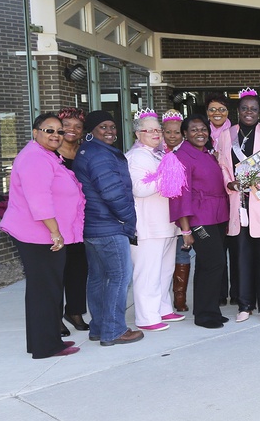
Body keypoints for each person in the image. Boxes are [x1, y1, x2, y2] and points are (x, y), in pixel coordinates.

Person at [0, 113, 83, 358]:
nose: (55, 135)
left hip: (43, 234)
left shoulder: (44, 155)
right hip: (39, 235)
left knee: (45, 289)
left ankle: (43, 341)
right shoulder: (35, 158)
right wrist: (55, 232)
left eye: (59, 131)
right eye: (49, 130)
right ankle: (46, 347)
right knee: (45, 291)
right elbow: (39, 200)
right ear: (35, 132)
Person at [218, 89, 260, 325]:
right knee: (242, 258)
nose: (249, 112)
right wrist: (230, 183)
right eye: (245, 108)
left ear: (259, 113)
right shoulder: (227, 135)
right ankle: (245, 304)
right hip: (239, 203)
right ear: (238, 111)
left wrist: (256, 180)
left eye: (254, 109)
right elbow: (223, 166)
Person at [72, 110, 143, 346]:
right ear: (91, 130)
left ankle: (99, 327)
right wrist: (126, 219)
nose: (110, 131)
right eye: (103, 127)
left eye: (112, 127)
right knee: (119, 277)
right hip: (108, 226)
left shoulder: (88, 151)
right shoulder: (99, 155)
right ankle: (114, 330)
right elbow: (112, 192)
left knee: (98, 278)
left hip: (94, 226)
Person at [170, 114, 230, 328]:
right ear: (185, 133)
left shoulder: (207, 153)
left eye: (203, 129)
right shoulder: (182, 157)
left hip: (218, 214)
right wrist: (186, 229)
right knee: (213, 263)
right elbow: (181, 195)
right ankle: (204, 315)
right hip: (199, 217)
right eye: (194, 130)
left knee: (210, 264)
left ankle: (209, 309)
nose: (200, 133)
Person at [126, 110, 183, 333]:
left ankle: (162, 307)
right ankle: (146, 317)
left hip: (166, 223)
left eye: (158, 129)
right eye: (149, 130)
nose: (155, 133)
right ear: (138, 133)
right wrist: (167, 176)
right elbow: (138, 188)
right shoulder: (136, 156)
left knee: (164, 271)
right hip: (148, 224)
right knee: (147, 272)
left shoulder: (158, 153)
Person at [56, 107, 90, 334]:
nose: (72, 130)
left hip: (80, 222)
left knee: (79, 269)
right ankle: (53, 316)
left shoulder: (84, 152)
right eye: (67, 125)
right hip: (55, 222)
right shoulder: (49, 154)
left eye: (77, 127)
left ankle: (75, 311)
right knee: (56, 271)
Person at [205, 94, 235, 304]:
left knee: (236, 248)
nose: (217, 113)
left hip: (234, 196)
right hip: (210, 200)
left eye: (222, 109)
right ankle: (219, 293)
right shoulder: (200, 133)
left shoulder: (235, 133)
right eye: (213, 109)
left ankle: (238, 292)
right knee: (216, 250)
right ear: (207, 112)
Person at [161, 109, 191, 312]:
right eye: (168, 132)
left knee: (182, 254)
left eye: (177, 132)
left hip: (182, 212)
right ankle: (161, 300)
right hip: (160, 213)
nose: (172, 136)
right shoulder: (155, 152)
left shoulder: (187, 153)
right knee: (161, 259)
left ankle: (179, 298)